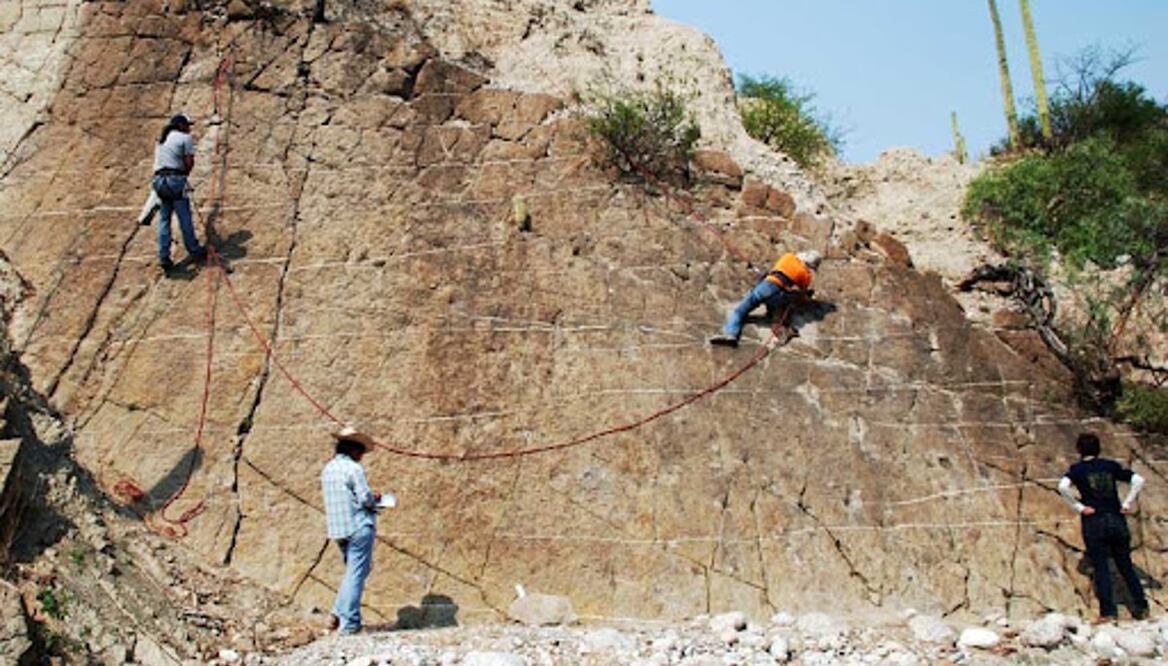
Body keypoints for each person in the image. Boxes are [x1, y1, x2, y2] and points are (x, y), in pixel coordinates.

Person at [1057, 432, 1149, 622]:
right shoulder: (1110, 466)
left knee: (1101, 567)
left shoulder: (1077, 470)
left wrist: (1079, 507)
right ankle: (1141, 607)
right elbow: (1138, 480)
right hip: (1116, 518)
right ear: (1098, 448)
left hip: (1094, 521)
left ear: (1079, 450)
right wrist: (1127, 503)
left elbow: (1063, 487)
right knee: (1125, 565)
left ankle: (1108, 613)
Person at [321, 427, 383, 634]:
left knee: (354, 572)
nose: (361, 456)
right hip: (358, 524)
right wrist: (376, 500)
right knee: (356, 574)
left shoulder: (328, 469)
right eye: (361, 452)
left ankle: (335, 614)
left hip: (339, 528)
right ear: (353, 450)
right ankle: (349, 623)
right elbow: (365, 498)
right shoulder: (354, 469)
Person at [710, 249, 821, 347]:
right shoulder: (805, 274)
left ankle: (730, 334)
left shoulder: (788, 257)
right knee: (788, 298)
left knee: (739, 312)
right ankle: (775, 318)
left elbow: (776, 271)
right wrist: (804, 297)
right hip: (777, 294)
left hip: (763, 288)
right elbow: (802, 294)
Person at [152, 113, 207, 271]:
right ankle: (194, 249)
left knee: (164, 219)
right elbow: (189, 162)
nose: (189, 128)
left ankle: (164, 256)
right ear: (181, 125)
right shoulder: (184, 138)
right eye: (187, 125)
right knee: (184, 216)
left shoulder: (161, 140)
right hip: (175, 180)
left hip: (159, 180)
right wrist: (184, 176)